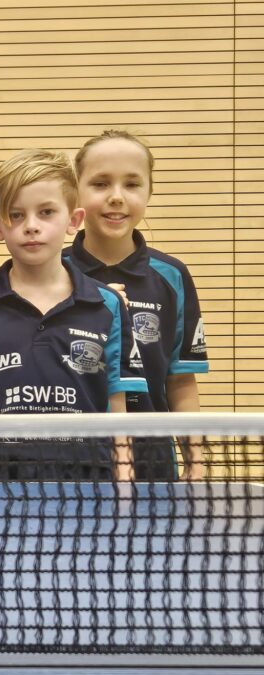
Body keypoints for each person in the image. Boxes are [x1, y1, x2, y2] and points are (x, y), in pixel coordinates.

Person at [0, 149, 147, 481]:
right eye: (16, 215)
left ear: (73, 221)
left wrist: (123, 488)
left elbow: (117, 411)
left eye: (46, 212)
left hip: (89, 485)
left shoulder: (107, 304)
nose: (31, 226)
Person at [66, 130, 209, 480]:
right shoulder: (50, 270)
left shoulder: (172, 276)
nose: (116, 197)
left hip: (152, 464)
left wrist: (196, 460)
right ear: (76, 192)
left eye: (132, 184)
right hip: (68, 461)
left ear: (149, 192)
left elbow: (180, 380)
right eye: (100, 184)